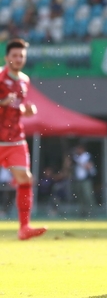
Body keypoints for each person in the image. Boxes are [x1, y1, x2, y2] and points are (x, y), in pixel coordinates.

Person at [0, 39, 46, 240]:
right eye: (15, 55)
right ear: (6, 57)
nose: (18, 59)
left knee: (25, 178)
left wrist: (28, 111)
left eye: (22, 56)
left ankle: (24, 227)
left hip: (15, 139)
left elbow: (16, 107)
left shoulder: (24, 80)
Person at [69, 144, 97, 218]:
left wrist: (79, 162)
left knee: (88, 196)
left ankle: (92, 213)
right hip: (78, 180)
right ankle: (82, 213)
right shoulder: (76, 157)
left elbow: (89, 166)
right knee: (80, 197)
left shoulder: (87, 156)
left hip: (86, 180)